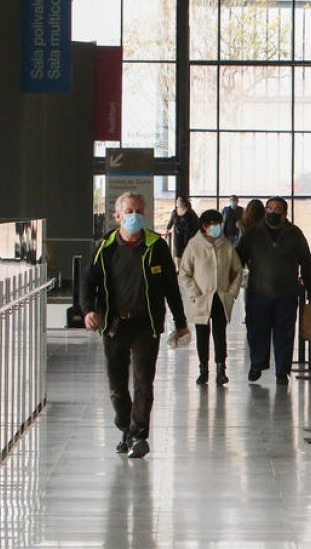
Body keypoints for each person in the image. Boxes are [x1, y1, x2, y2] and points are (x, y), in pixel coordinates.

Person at [80, 192, 189, 459]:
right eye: (129, 211)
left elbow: (170, 288)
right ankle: (126, 429)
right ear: (118, 215)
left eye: (139, 210)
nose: (134, 216)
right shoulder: (105, 247)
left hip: (146, 325)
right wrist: (88, 311)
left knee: (143, 381)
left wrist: (181, 322)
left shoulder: (156, 246)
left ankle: (139, 434)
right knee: (117, 386)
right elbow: (87, 282)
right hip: (115, 324)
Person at [237, 197, 311, 384]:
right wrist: (228, 285)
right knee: (257, 331)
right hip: (258, 292)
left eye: (277, 209)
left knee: (285, 334)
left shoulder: (295, 234)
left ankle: (282, 371)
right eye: (270, 208)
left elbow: (307, 263)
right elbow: (238, 259)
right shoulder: (253, 233)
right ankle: (257, 364)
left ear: (285, 213)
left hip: (287, 294)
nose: (273, 212)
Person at [178, 210, 243, 386]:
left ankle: (221, 369)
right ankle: (203, 369)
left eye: (219, 223)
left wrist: (231, 292)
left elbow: (237, 270)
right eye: (213, 224)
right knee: (202, 334)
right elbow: (184, 273)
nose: (217, 227)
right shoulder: (194, 246)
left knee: (220, 334)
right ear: (204, 226)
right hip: (201, 298)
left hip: (221, 297)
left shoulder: (226, 246)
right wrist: (195, 293)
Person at [167, 197, 200, 264]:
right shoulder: (174, 212)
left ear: (184, 202)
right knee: (178, 254)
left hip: (188, 237)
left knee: (187, 253)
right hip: (177, 236)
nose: (178, 202)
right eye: (177, 201)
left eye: (180, 201)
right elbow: (171, 222)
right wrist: (167, 229)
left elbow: (197, 224)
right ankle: (179, 270)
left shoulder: (190, 213)